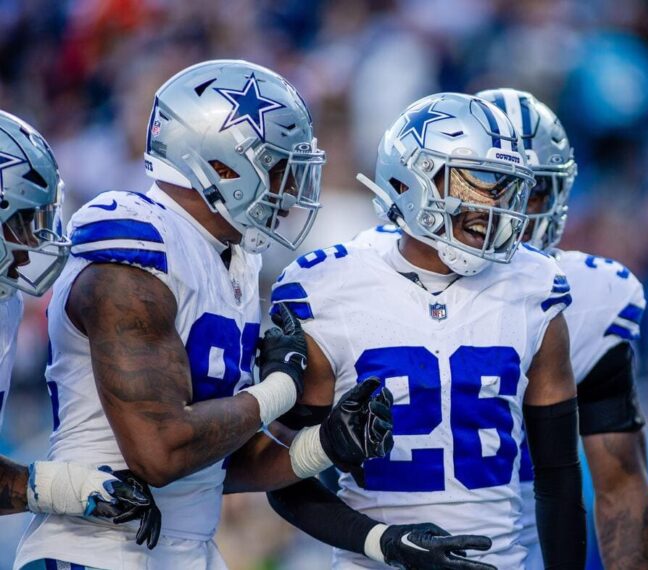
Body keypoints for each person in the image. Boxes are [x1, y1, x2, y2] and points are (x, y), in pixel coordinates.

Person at [14, 59, 393, 570]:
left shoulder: (233, 257)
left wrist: (325, 444)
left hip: (187, 552)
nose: (291, 186)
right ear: (220, 164)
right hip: (95, 553)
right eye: (277, 164)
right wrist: (280, 386)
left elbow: (213, 460)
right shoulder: (135, 247)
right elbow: (161, 452)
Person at [269, 92, 587, 569]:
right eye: (478, 184)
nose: (494, 206)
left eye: (503, 188)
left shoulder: (534, 285)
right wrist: (382, 540)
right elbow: (281, 475)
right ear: (412, 178)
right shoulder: (327, 288)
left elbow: (559, 474)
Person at [476, 88, 648, 569]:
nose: (513, 210)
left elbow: (620, 483)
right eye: (497, 185)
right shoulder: (378, 282)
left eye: (532, 189)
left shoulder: (585, 298)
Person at [0, 110, 158, 539]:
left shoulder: (6, 302)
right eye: (19, 222)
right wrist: (61, 488)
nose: (32, 242)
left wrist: (69, 488)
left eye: (37, 221)